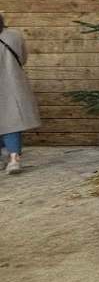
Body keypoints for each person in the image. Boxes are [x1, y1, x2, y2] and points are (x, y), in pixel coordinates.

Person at [0, 13, 40, 175]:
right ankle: (14, 159)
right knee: (13, 122)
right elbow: (23, 59)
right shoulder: (14, 36)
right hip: (14, 85)